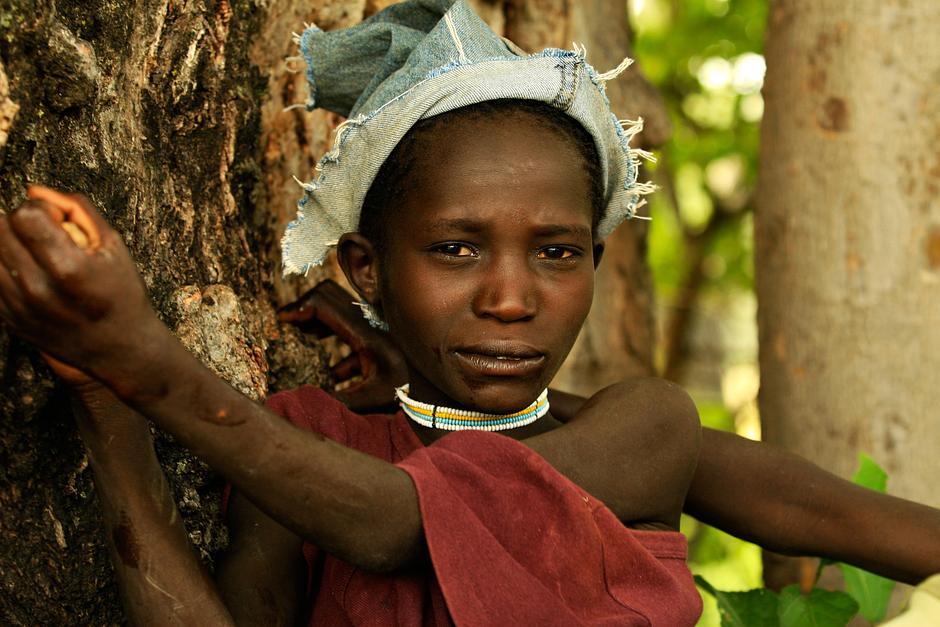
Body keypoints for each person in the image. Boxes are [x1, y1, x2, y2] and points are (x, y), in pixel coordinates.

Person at [0, 1, 937, 626]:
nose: (511, 297)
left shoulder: (646, 430)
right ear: (367, 268)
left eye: (558, 252)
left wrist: (147, 361)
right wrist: (105, 400)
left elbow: (400, 522)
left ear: (597, 263)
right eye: (454, 248)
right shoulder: (315, 445)